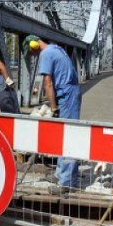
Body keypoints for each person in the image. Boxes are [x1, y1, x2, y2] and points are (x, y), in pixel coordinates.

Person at [23, 35, 82, 195]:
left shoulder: (45, 54)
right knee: (64, 136)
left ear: (34, 45)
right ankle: (60, 174)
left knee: (69, 137)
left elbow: (47, 83)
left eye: (31, 52)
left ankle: (67, 182)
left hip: (67, 95)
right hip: (69, 93)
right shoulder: (56, 48)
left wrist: (53, 108)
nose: (34, 56)